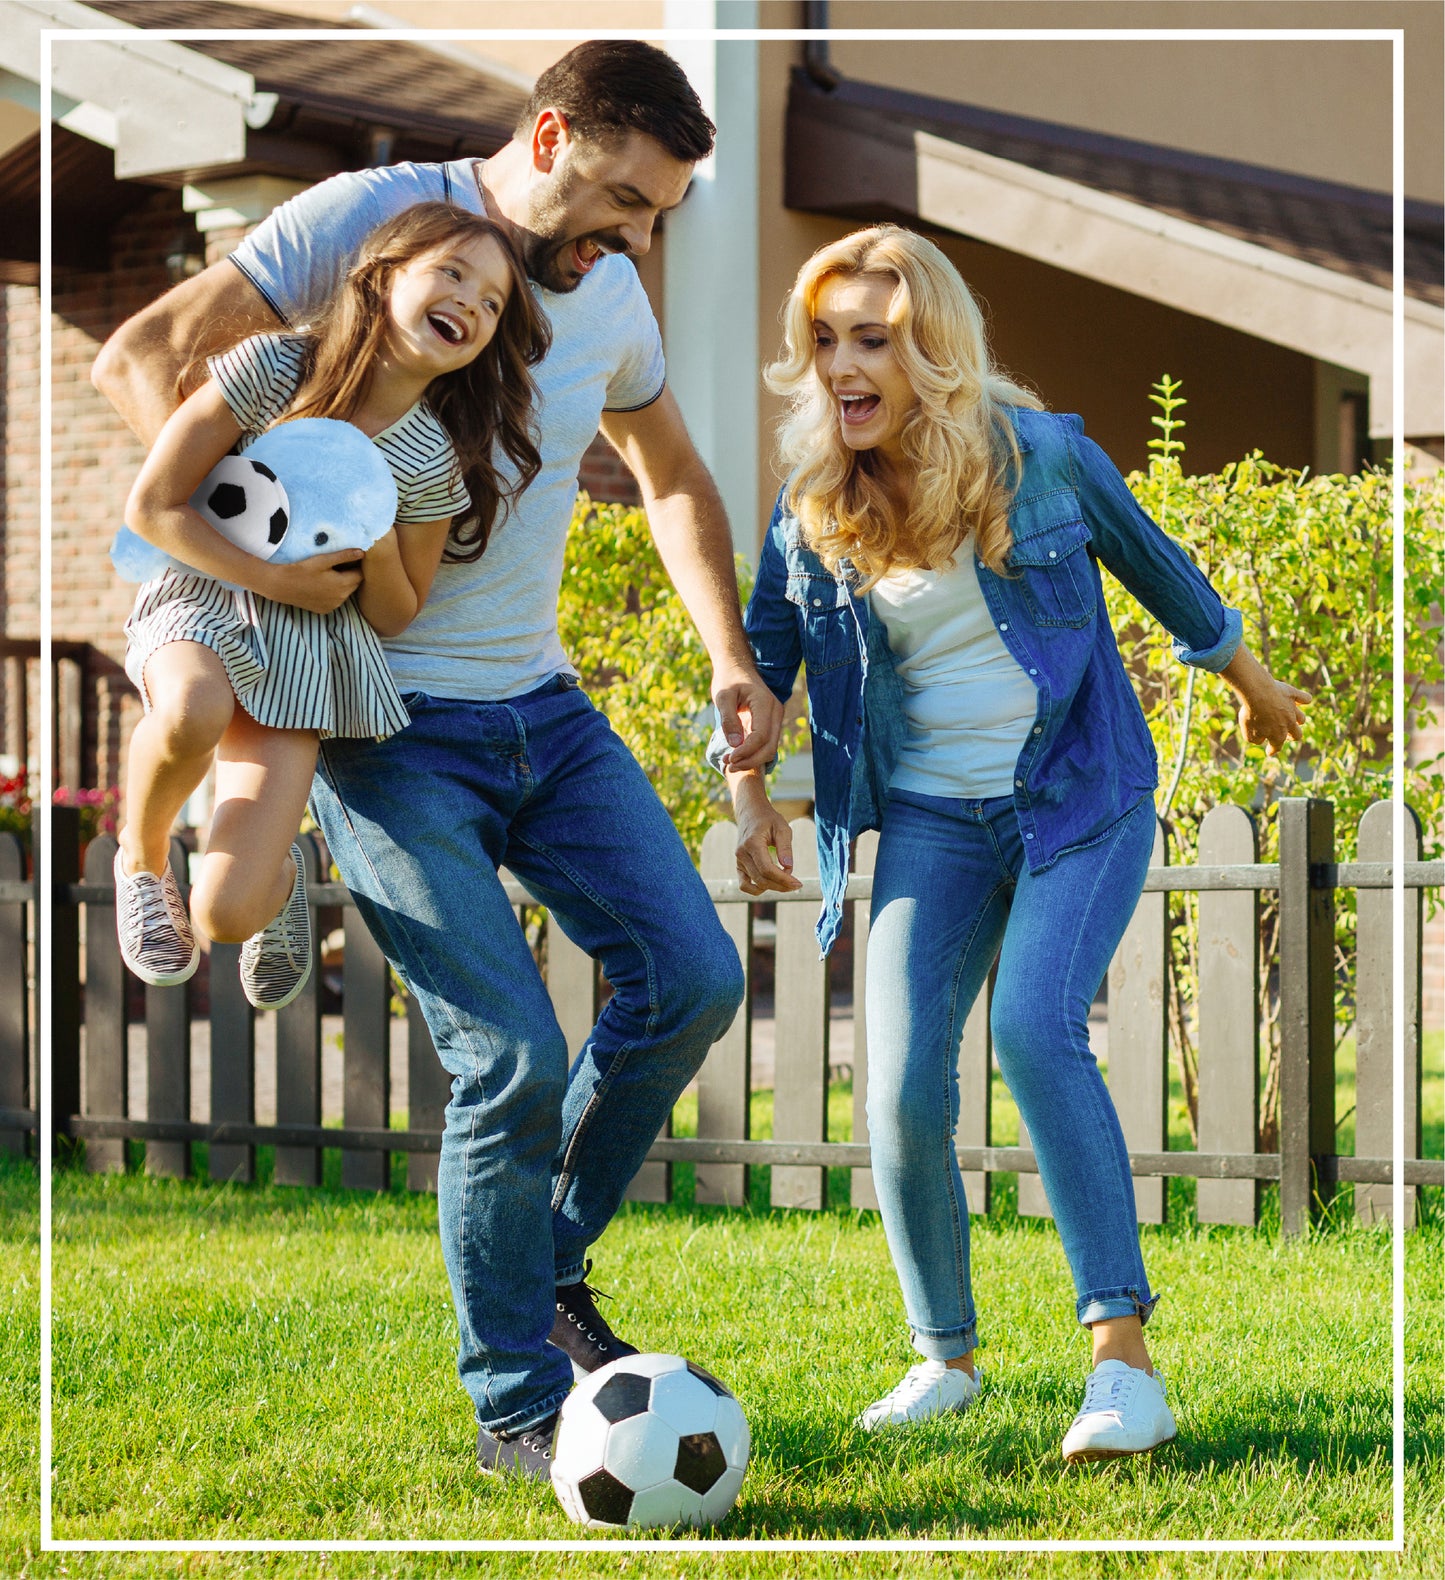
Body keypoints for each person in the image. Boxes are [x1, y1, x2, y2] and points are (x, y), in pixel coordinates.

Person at [92, 40, 782, 1480]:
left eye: (656, 214)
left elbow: (669, 478)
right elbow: (145, 358)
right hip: (380, 722)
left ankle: (541, 1272)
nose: (636, 238)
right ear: (548, 137)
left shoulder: (606, 292)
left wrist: (729, 655)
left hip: (542, 706)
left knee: (694, 981)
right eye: (620, 199)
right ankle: (517, 1402)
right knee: (510, 1058)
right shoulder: (364, 222)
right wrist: (275, 539)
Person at [720, 226, 1308, 1463]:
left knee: (1038, 1027)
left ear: (929, 348)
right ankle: (944, 1357)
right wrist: (749, 793)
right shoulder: (815, 497)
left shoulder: (1041, 458)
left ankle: (1121, 1367)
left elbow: (1161, 571)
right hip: (932, 816)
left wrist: (1252, 684)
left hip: (1074, 793)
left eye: (870, 339)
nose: (840, 365)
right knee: (894, 1082)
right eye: (822, 340)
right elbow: (760, 659)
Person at [115, 203, 547, 1012]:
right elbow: (154, 507)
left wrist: (378, 539)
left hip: (308, 655)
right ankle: (140, 859)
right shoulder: (276, 369)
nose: (472, 303)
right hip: (208, 598)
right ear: (383, 277)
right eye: (452, 273)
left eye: (492, 303)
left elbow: (394, 614)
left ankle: (278, 882)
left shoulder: (427, 461)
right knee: (192, 706)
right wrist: (276, 578)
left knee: (225, 912)